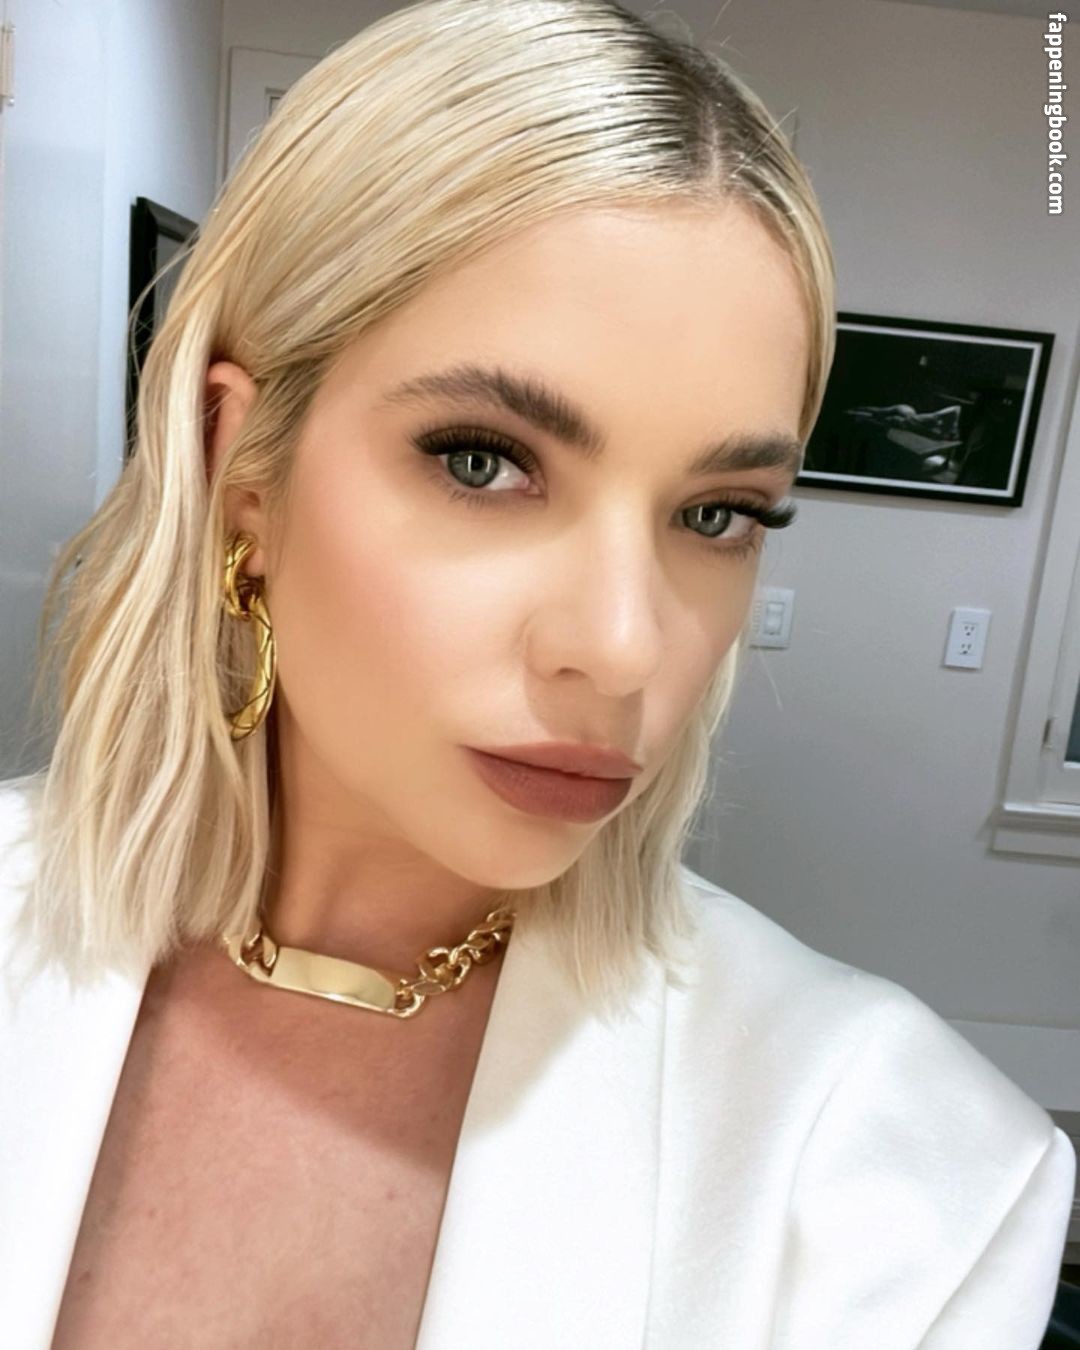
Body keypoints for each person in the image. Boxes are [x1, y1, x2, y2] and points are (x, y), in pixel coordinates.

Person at [0, 0, 1073, 1345]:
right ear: (242, 473)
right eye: (482, 460)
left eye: (717, 512)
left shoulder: (903, 1186)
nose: (625, 647)